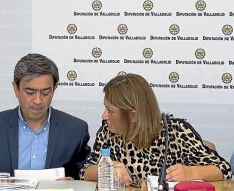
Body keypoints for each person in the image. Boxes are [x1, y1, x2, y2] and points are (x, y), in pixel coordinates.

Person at [0, 53, 91, 180]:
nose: (38, 100)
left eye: (45, 92)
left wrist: (72, 183)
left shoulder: (75, 130)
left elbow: (85, 175)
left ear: (54, 89)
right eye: (30, 92)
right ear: (16, 89)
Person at [81, 73, 231, 183]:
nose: (104, 116)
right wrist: (104, 169)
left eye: (111, 111)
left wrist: (191, 172)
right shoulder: (107, 133)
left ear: (133, 115)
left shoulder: (176, 131)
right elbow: (84, 171)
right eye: (105, 108)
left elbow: (223, 169)